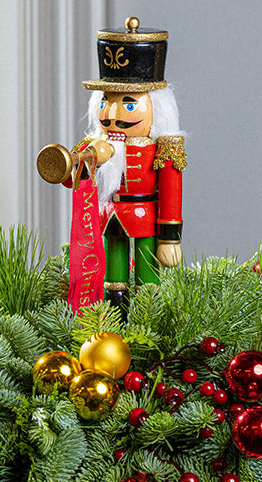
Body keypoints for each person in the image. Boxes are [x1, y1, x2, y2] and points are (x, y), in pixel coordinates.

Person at [39, 17, 185, 312]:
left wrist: (170, 239)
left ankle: (147, 312)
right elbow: (73, 178)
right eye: (107, 101)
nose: (113, 115)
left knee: (147, 276)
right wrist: (80, 162)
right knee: (113, 276)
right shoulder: (95, 144)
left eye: (129, 104)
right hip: (109, 218)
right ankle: (114, 310)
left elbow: (171, 192)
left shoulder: (164, 148)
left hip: (146, 219)